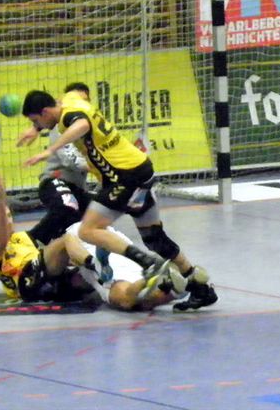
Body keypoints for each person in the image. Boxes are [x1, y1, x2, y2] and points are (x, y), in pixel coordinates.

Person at [20, 83, 218, 311]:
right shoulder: (71, 98)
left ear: (45, 112)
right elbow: (77, 95)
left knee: (87, 230)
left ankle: (147, 262)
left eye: (36, 120)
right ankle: (201, 288)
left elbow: (82, 124)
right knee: (154, 237)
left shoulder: (67, 118)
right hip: (141, 168)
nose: (38, 126)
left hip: (123, 176)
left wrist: (50, 149)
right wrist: (36, 129)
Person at [0, 174, 92, 302]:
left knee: (86, 281)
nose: (9, 221)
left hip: (43, 277)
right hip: (26, 281)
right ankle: (92, 262)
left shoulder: (23, 236)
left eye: (9, 216)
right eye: (2, 218)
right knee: (67, 239)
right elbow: (1, 241)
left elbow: (49, 241)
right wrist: (1, 199)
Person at [20, 84, 91, 245]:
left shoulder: (84, 119)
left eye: (85, 100)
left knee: (97, 216)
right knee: (67, 206)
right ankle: (29, 242)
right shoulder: (62, 125)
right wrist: (99, 166)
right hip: (54, 181)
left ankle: (60, 248)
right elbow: (71, 160)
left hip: (78, 187)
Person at [64, 222, 188, 311]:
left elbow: (73, 253)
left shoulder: (73, 230)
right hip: (132, 264)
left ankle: (151, 282)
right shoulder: (109, 229)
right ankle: (172, 287)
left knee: (127, 301)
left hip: (107, 273)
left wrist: (89, 263)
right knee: (143, 301)